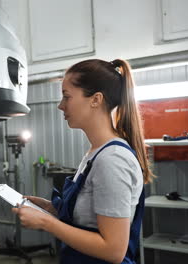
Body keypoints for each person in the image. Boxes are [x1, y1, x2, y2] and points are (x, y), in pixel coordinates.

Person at [12, 59, 154, 264]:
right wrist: (51, 208)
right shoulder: (95, 153)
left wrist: (47, 223)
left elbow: (113, 250)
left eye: (66, 97)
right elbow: (89, 218)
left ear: (96, 99)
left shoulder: (112, 160)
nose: (61, 106)